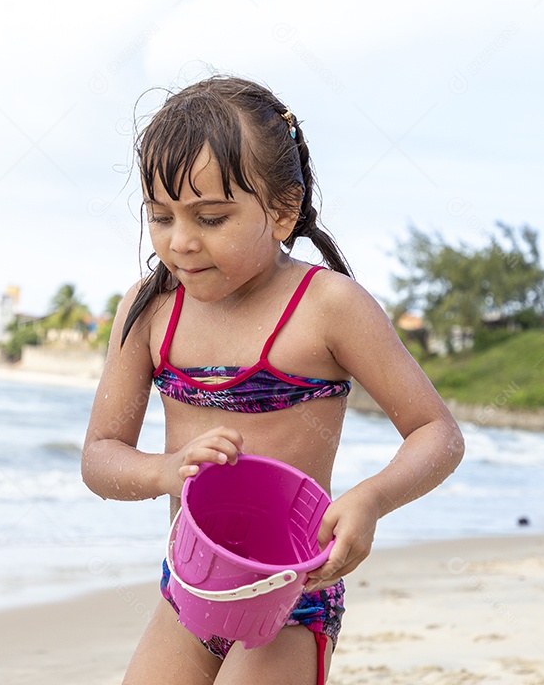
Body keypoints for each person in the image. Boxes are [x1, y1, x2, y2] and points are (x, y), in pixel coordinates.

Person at [82, 75, 464, 685]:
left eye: (211, 217)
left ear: (282, 211)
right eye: (160, 216)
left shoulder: (329, 307)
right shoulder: (149, 308)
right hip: (192, 584)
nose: (180, 243)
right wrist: (165, 469)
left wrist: (370, 499)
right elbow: (100, 458)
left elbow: (436, 433)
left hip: (291, 593)